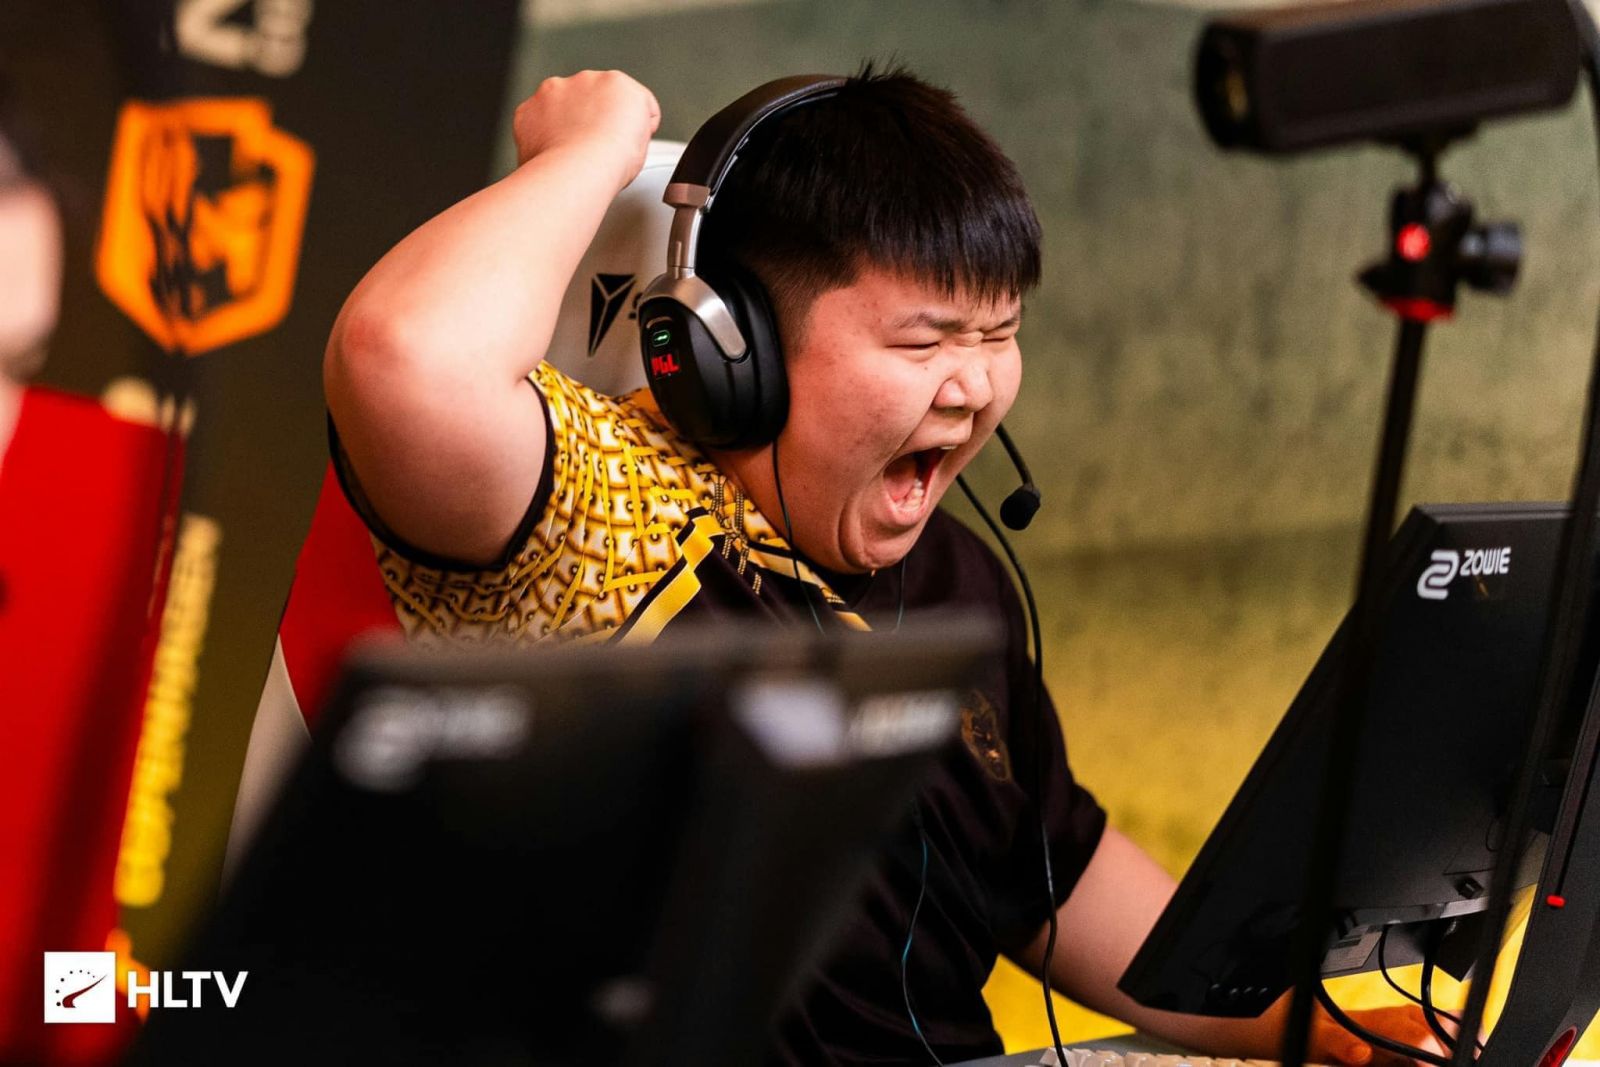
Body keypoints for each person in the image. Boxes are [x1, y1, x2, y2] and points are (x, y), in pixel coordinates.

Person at [324, 66, 1445, 1064]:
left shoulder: (958, 572)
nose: (975, 388)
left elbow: (1052, 877)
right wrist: (590, 150)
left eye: (997, 334)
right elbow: (404, 360)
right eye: (924, 341)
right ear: (732, 349)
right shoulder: (594, 507)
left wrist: (1310, 1023)